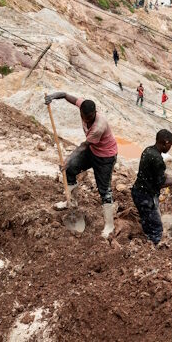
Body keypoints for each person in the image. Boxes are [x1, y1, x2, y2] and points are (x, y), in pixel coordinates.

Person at [45, 91, 119, 237]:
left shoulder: (98, 126)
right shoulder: (83, 106)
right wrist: (52, 97)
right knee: (70, 170)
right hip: (93, 149)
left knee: (104, 190)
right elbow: (66, 95)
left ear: (94, 113)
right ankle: (71, 202)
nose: (87, 120)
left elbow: (83, 146)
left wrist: (67, 160)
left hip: (105, 157)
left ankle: (109, 225)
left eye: (90, 117)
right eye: (85, 117)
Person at [131, 129, 172, 245]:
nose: (170, 148)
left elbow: (156, 174)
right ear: (166, 143)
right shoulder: (157, 159)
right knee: (157, 229)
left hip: (138, 191)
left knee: (148, 220)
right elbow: (161, 183)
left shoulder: (148, 151)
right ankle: (152, 249)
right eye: (170, 145)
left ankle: (147, 235)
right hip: (146, 197)